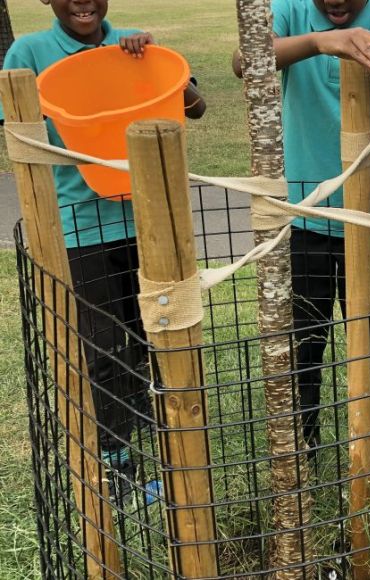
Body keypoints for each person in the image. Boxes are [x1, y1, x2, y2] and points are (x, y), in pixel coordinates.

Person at [2, 0, 206, 506]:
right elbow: (14, 127)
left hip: (148, 224)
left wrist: (155, 62)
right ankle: (116, 466)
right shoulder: (29, 51)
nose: (83, 3)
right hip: (78, 228)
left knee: (150, 338)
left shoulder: (133, 43)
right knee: (103, 349)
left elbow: (194, 106)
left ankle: (167, 446)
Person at [233, 0, 370, 456]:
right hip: (305, 218)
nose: (335, 2)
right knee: (304, 342)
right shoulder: (291, 12)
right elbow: (244, 62)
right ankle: (304, 442)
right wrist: (319, 43)